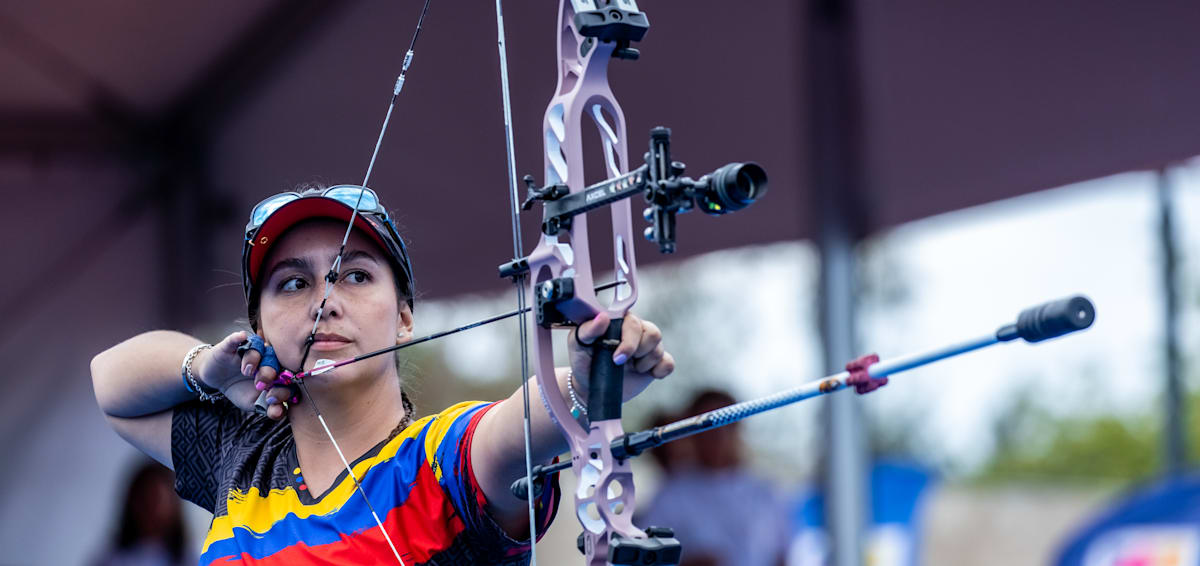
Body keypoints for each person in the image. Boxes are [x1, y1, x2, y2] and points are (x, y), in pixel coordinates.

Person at [91, 184, 674, 565]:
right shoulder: (242, 458)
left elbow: (518, 427)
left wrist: (588, 382)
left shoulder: (438, 463)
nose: (323, 301)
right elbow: (111, 386)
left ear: (403, 317)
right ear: (261, 328)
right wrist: (208, 369)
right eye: (293, 284)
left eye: (355, 276)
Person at [638, 390, 790, 566]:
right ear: (693, 432)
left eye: (727, 424)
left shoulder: (765, 492)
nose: (719, 435)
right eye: (710, 427)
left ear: (739, 428)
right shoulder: (673, 493)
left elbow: (785, 554)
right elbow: (645, 556)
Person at [91, 460, 191, 566]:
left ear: (173, 506)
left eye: (156, 500)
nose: (150, 510)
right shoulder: (110, 559)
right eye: (144, 500)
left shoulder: (191, 560)